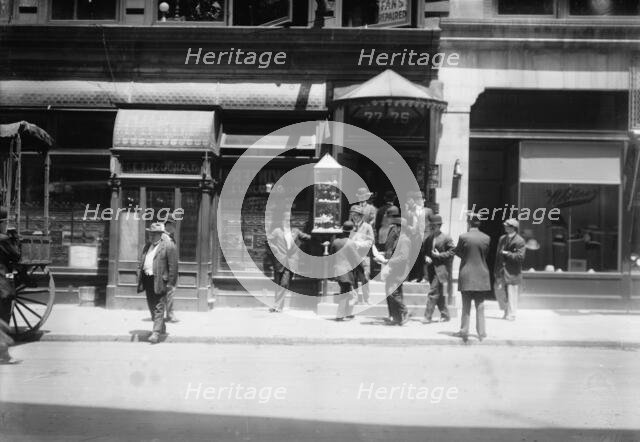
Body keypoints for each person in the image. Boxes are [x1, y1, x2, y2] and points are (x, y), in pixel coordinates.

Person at [137, 222, 178, 344]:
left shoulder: (168, 246)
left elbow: (173, 266)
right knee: (151, 305)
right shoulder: (147, 246)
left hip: (161, 280)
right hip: (148, 280)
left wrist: (171, 283)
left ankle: (155, 333)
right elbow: (142, 260)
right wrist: (139, 270)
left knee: (159, 306)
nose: (151, 236)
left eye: (154, 234)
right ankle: (161, 327)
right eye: (150, 233)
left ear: (160, 234)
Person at [453, 213, 491, 342]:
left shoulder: (463, 237)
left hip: (467, 274)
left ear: (469, 222)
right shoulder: (486, 238)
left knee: (466, 305)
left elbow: (457, 251)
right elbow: (485, 254)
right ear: (479, 223)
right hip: (481, 274)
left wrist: (466, 256)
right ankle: (481, 332)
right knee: (480, 305)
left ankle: (464, 331)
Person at [268, 211, 311, 312]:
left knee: (284, 283)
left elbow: (307, 237)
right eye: (285, 220)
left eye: (289, 221)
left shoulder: (295, 231)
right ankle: (280, 307)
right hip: (279, 261)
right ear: (282, 221)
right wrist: (276, 251)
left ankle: (276, 305)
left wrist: (320, 237)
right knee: (278, 284)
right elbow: (268, 241)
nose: (287, 222)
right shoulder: (277, 231)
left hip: (290, 262)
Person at [375, 207, 411, 325]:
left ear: (400, 227)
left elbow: (403, 257)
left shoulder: (404, 239)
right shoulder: (400, 239)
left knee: (392, 292)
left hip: (399, 270)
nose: (394, 228)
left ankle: (404, 311)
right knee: (392, 291)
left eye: (396, 226)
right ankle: (397, 318)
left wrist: (388, 262)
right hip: (394, 268)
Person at [423, 214, 455, 324]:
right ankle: (445, 315)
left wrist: (439, 255)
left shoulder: (446, 238)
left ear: (439, 225)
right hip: (431, 270)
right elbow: (425, 252)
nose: (431, 227)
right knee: (438, 293)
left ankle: (427, 317)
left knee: (433, 292)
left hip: (441, 269)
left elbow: (452, 252)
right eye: (430, 225)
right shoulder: (429, 238)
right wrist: (426, 257)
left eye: (433, 226)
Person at [494, 218, 526, 321]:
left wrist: (508, 254)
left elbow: (520, 257)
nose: (505, 227)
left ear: (513, 228)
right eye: (505, 225)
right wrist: (496, 271)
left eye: (507, 226)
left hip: (513, 272)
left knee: (512, 293)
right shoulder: (502, 238)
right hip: (501, 271)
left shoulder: (520, 240)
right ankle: (505, 311)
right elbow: (497, 256)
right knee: (499, 290)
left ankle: (512, 314)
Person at [0, 207, 20, 363]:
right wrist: (14, 238)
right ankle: (3, 355)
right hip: (2, 285)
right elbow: (16, 255)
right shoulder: (3, 239)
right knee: (3, 320)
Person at [330, 221, 360, 321]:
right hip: (346, 271)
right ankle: (340, 315)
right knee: (345, 292)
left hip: (337, 270)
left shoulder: (335, 242)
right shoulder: (351, 243)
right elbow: (356, 259)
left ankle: (347, 313)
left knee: (345, 290)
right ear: (351, 231)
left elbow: (331, 256)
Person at [349, 205, 374, 304]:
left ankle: (367, 298)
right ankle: (354, 298)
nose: (355, 217)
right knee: (353, 278)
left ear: (361, 216)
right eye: (353, 215)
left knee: (365, 278)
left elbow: (371, 241)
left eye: (357, 215)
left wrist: (359, 244)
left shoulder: (367, 227)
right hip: (352, 256)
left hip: (364, 256)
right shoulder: (349, 226)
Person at [406, 191, 433, 282]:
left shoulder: (428, 211)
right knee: (417, 257)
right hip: (415, 238)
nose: (419, 201)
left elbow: (432, 224)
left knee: (426, 257)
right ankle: (417, 277)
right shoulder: (411, 212)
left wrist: (431, 235)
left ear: (424, 200)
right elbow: (408, 224)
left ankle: (426, 277)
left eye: (420, 199)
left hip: (427, 236)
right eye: (417, 199)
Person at [162, 216, 179, 323]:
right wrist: (169, 275)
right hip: (166, 272)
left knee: (169, 294)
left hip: (170, 271)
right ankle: (170, 315)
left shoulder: (169, 237)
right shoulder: (164, 238)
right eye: (173, 225)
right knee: (169, 294)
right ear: (168, 225)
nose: (174, 227)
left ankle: (169, 314)